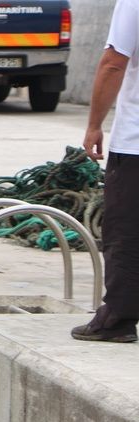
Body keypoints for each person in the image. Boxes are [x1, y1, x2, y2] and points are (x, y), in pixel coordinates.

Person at [72, 0, 139, 343]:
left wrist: (94, 125)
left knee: (125, 229)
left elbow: (114, 63)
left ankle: (118, 318)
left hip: (136, 144)